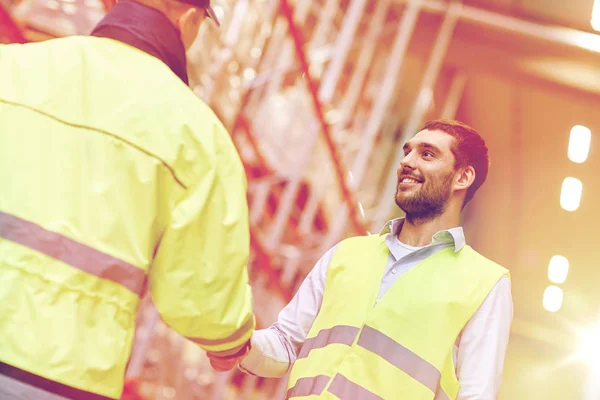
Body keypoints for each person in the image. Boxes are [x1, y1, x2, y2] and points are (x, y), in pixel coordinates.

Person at [0, 1, 255, 399]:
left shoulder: (13, 69)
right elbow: (200, 296)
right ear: (189, 20)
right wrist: (232, 342)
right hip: (65, 376)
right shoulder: (201, 140)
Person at [236, 120, 513, 399]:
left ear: (462, 178)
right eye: (407, 151)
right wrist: (234, 340)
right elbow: (285, 344)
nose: (406, 161)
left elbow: (476, 394)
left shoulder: (485, 284)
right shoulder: (347, 254)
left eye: (426, 154)